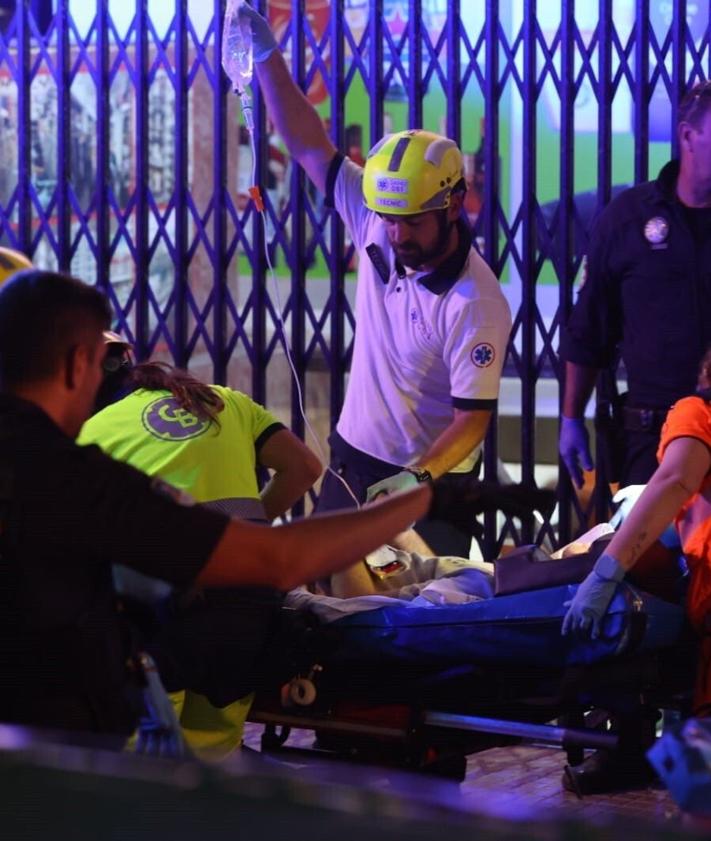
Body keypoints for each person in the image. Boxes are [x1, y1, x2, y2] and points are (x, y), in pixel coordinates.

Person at [0, 269, 434, 743]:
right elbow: (280, 556)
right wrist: (417, 496)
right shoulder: (77, 474)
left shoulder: (74, 453)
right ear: (76, 364)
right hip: (58, 753)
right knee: (189, 772)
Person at [236, 5, 512, 556]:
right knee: (324, 598)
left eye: (412, 221)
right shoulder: (375, 220)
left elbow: (470, 424)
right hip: (353, 458)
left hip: (431, 481)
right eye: (389, 219)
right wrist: (267, 58)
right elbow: (309, 145)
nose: (396, 234)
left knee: (414, 612)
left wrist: (415, 479)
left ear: (453, 205)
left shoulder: (475, 302)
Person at [79, 356, 322, 758]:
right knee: (216, 756)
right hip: (249, 603)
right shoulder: (225, 400)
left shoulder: (93, 431)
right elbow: (305, 468)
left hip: (167, 615)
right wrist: (242, 537)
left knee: (150, 761)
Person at [561, 346, 711, 792]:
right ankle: (648, 757)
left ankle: (644, 756)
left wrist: (606, 572)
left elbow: (675, 479)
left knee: (697, 790)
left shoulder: (696, 411)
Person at [560, 80, 711, 490]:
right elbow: (589, 329)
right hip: (651, 438)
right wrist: (571, 418)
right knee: (644, 551)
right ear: (688, 136)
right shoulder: (628, 219)